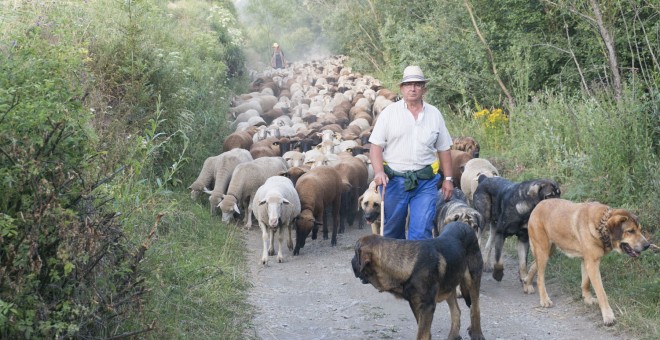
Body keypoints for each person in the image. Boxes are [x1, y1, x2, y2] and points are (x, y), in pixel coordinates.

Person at [369, 65, 454, 240]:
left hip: (425, 181)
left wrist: (448, 179)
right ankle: (393, 266)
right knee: (392, 230)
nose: (413, 88)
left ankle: (416, 267)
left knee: (421, 230)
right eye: (408, 84)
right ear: (402, 88)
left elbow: (444, 148)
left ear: (424, 88)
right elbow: (376, 146)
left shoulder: (434, 114)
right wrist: (378, 171)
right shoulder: (389, 114)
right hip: (394, 181)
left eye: (417, 84)